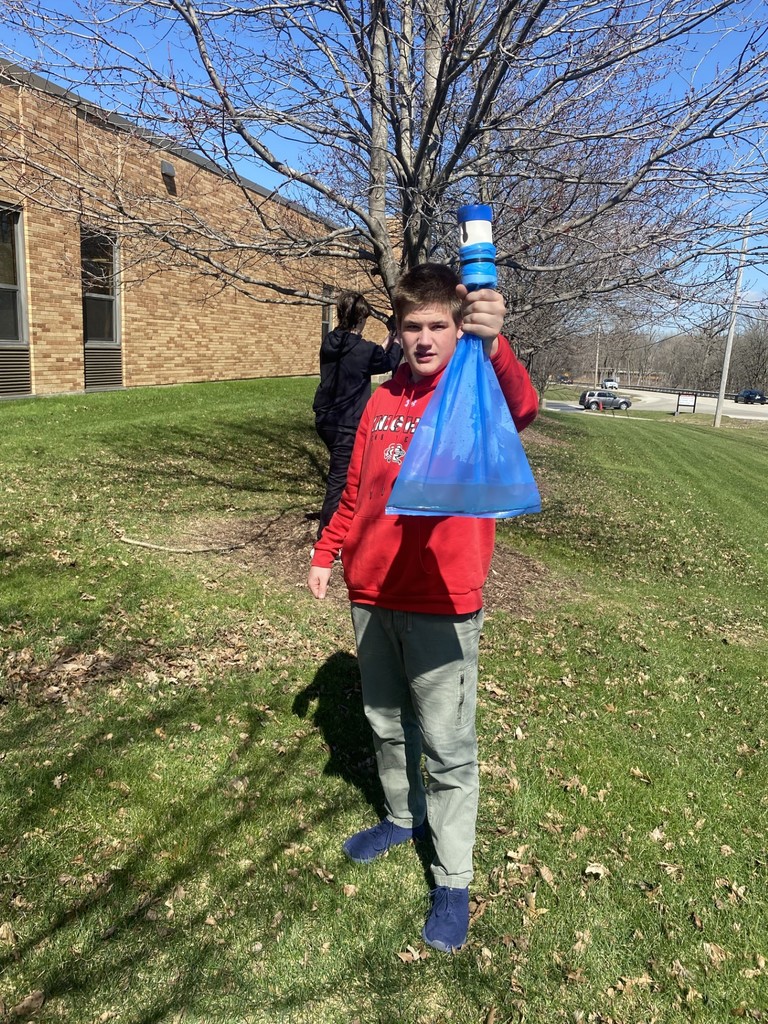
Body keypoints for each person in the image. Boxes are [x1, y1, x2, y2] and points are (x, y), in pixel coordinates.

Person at [307, 263, 538, 953]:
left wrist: (494, 344)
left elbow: (520, 405)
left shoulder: (472, 389)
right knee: (383, 722)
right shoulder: (380, 401)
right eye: (414, 327)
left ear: (456, 328)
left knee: (447, 746)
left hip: (443, 599)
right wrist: (327, 552)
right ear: (397, 331)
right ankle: (403, 818)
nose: (426, 338)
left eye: (440, 325)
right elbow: (355, 489)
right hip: (371, 593)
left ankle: (454, 878)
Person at [313, 291, 402, 540]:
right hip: (345, 424)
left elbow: (368, 357)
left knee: (352, 474)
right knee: (339, 481)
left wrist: (385, 342)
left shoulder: (329, 341)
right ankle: (327, 538)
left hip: (325, 420)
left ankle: (349, 521)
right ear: (362, 318)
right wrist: (396, 342)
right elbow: (384, 361)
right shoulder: (364, 351)